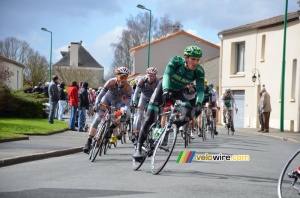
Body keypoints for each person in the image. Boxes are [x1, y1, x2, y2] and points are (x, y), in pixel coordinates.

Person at [133, 45, 205, 160]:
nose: (195, 62)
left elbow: (201, 90)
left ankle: (173, 126)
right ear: (186, 58)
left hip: (178, 93)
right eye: (193, 59)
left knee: (189, 114)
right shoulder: (176, 61)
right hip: (163, 89)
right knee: (149, 118)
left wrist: (199, 103)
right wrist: (166, 90)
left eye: (198, 59)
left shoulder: (199, 71)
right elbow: (166, 75)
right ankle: (138, 148)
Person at [83, 67, 133, 153]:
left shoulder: (128, 87)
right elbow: (101, 94)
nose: (123, 80)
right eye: (121, 77)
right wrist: (97, 103)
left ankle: (111, 129)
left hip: (118, 102)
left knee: (124, 115)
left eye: (125, 78)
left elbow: (127, 103)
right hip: (107, 99)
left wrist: (125, 110)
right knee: (97, 119)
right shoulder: (111, 82)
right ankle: (89, 141)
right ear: (117, 76)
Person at [131, 67, 160, 144]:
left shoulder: (157, 81)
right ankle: (136, 134)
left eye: (154, 76)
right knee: (139, 114)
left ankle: (153, 135)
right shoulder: (142, 80)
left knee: (154, 116)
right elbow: (136, 92)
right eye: (150, 75)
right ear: (147, 75)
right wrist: (134, 102)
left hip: (152, 98)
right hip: (143, 97)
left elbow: (159, 93)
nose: (152, 77)